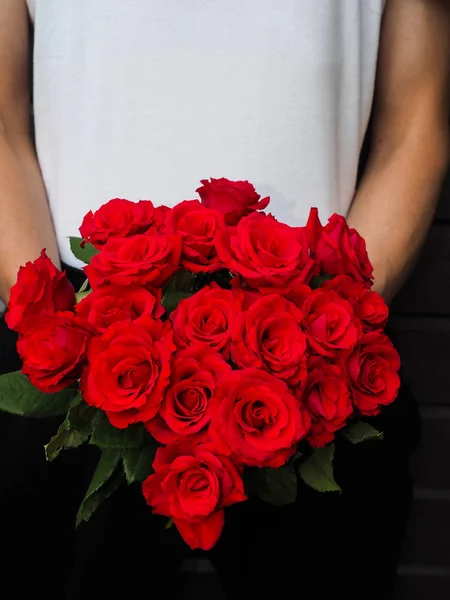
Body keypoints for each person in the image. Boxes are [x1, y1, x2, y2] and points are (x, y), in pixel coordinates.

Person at [0, 1, 448, 598]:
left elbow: (416, 119)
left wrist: (339, 319)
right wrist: (57, 329)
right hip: (82, 343)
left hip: (315, 356)